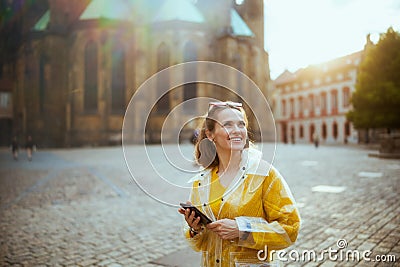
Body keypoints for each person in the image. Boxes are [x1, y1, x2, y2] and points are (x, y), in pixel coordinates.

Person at [178, 101, 300, 266]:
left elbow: (290, 228)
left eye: (241, 124)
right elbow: (199, 245)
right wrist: (195, 229)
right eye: (228, 125)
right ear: (210, 134)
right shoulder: (201, 181)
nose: (237, 130)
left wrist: (242, 229)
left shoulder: (264, 174)